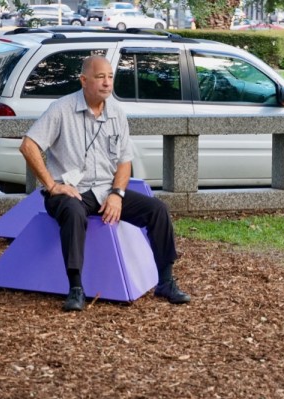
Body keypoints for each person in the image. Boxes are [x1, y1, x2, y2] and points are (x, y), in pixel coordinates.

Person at [19, 55, 190, 312]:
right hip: (70, 191)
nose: (107, 83)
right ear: (84, 80)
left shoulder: (117, 114)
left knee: (158, 210)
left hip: (105, 191)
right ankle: (76, 288)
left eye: (110, 77)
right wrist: (52, 186)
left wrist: (117, 194)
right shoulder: (61, 109)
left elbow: (124, 161)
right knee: (74, 213)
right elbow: (28, 145)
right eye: (100, 77)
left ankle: (165, 281)